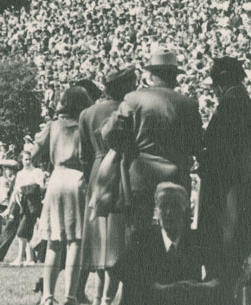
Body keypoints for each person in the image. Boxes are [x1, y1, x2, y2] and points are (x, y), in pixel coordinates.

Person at [102, 48, 203, 232]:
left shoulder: (134, 99)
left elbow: (109, 133)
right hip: (176, 176)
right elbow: (197, 144)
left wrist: (127, 148)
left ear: (151, 75)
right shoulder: (188, 104)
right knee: (175, 234)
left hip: (140, 178)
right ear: (174, 76)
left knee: (138, 234)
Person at [79, 66, 136, 305]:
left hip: (96, 171)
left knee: (98, 239)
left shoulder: (87, 113)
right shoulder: (127, 110)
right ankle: (106, 298)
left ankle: (98, 296)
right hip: (120, 170)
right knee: (116, 239)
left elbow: (84, 155)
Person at [33, 86, 92, 305]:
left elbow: (33, 153)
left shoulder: (52, 125)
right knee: (75, 241)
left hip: (56, 179)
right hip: (77, 180)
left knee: (53, 241)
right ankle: (70, 295)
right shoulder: (84, 126)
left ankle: (48, 296)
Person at [113, 182, 219, 305]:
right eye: (163, 206)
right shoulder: (141, 239)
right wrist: (166, 289)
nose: (169, 212)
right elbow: (126, 277)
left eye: (175, 206)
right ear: (156, 212)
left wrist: (199, 287)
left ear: (185, 210)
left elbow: (218, 278)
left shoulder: (197, 240)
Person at [199, 56, 251, 303]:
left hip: (229, 185)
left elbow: (211, 143)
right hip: (240, 180)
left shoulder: (230, 101)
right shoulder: (242, 98)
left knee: (226, 247)